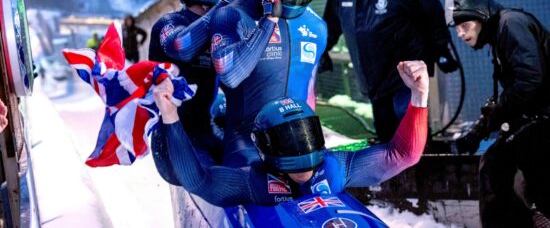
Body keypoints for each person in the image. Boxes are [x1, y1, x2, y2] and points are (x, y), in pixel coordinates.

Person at [152, 60, 428, 207]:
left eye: (304, 135)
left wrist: (419, 95)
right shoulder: (252, 181)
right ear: (265, 148)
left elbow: (403, 154)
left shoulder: (335, 166)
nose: (300, 149)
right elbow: (197, 180)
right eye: (287, 142)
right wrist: (170, 117)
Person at [320, 0, 458, 143]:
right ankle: (395, 176)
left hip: (405, 75)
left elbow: (432, 12)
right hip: (373, 78)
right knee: (386, 136)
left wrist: (441, 49)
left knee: (410, 131)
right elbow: (331, 23)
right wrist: (322, 51)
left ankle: (422, 171)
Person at [209, 0, 327, 167]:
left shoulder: (317, 26)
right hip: (246, 145)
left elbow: (308, 89)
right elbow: (230, 75)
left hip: (300, 146)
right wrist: (268, 21)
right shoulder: (233, 14)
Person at [445, 0, 550, 227]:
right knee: (497, 161)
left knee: (504, 162)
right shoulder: (501, 35)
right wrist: (477, 133)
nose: (460, 33)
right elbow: (513, 96)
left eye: (465, 24)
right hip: (540, 119)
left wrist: (496, 117)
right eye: (457, 28)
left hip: (545, 121)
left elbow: (530, 79)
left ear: (481, 14)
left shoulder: (510, 24)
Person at [148, 0, 247, 178]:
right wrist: (226, 2)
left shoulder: (225, 24)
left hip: (207, 131)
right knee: (221, 179)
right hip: (176, 140)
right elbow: (182, 47)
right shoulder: (169, 23)